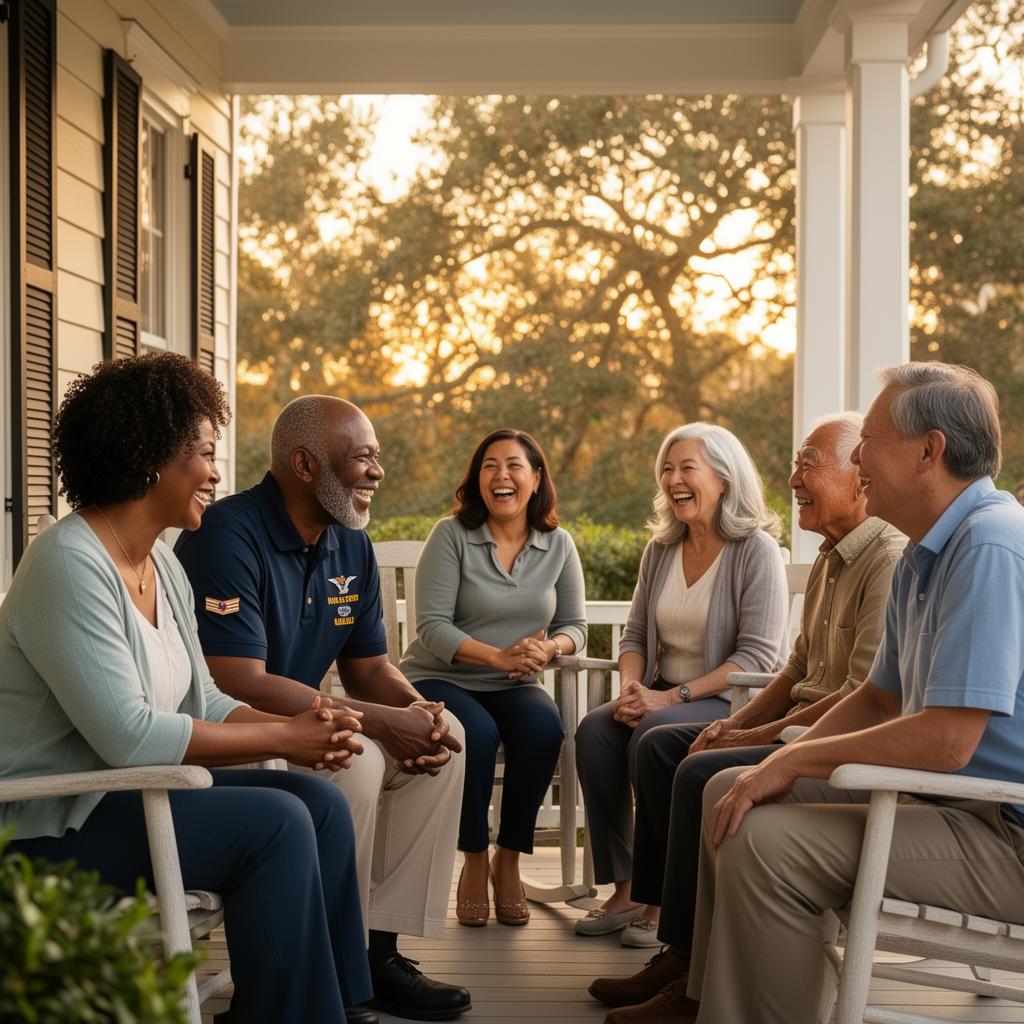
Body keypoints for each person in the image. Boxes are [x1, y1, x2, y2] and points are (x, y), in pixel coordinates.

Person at [603, 361, 1024, 1024]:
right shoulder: (925, 551)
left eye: (871, 443)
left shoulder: (990, 545)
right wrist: (769, 762)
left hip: (1004, 832)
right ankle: (707, 998)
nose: (858, 459)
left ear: (928, 451)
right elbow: (880, 697)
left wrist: (790, 759)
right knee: (723, 788)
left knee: (767, 841)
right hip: (950, 804)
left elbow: (946, 739)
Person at [0, 353, 375, 1024]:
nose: (215, 472)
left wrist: (314, 721)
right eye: (203, 453)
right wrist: (286, 736)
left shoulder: (161, 564)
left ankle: (332, 1007)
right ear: (151, 459)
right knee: (275, 825)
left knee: (317, 803)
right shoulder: (67, 563)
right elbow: (129, 736)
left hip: (126, 798)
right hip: (49, 824)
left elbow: (203, 698)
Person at [587, 412, 906, 1018]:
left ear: (858, 476)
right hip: (790, 724)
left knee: (690, 766)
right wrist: (736, 726)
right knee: (665, 747)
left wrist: (754, 733)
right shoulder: (832, 558)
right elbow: (793, 672)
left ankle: (689, 965)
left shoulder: (886, 560)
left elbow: (863, 696)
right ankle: (676, 947)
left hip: (828, 742)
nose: (793, 481)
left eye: (808, 464)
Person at [174, 395, 470, 1022]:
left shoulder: (350, 545)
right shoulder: (228, 535)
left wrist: (419, 709)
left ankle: (377, 953)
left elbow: (368, 668)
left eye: (376, 458)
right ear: (306, 465)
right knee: (356, 757)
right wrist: (374, 720)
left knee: (450, 741)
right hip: (237, 740)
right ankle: (333, 967)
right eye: (362, 458)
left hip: (309, 728)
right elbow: (237, 678)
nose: (376, 472)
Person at [574, 422, 788, 945]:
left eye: (687, 467)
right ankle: (626, 889)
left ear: (724, 477)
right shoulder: (661, 549)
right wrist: (631, 690)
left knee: (653, 736)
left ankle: (663, 899)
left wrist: (667, 698)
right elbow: (635, 635)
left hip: (729, 702)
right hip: (659, 696)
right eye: (667, 470)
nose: (674, 480)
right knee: (595, 731)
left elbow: (757, 654)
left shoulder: (754, 550)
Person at [398, 428, 587, 927]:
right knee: (473, 735)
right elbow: (432, 627)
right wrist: (499, 658)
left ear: (536, 478)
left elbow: (576, 627)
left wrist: (550, 648)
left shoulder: (558, 544)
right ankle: (475, 858)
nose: (501, 476)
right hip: (441, 677)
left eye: (513, 466)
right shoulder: (452, 535)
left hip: (516, 684)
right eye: (489, 466)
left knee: (544, 728)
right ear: (477, 479)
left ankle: (510, 859)